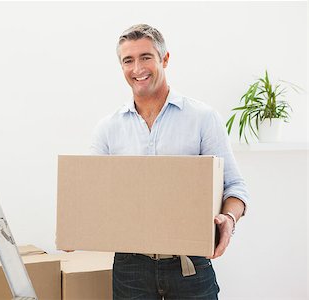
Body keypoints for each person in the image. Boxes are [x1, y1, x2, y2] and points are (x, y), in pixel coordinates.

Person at [90, 24, 249, 300]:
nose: (137, 68)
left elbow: (235, 187)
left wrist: (229, 218)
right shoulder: (108, 128)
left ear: (165, 59)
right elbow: (90, 193)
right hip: (131, 268)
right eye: (128, 60)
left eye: (146, 57)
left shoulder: (202, 117)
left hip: (190, 264)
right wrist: (76, 227)